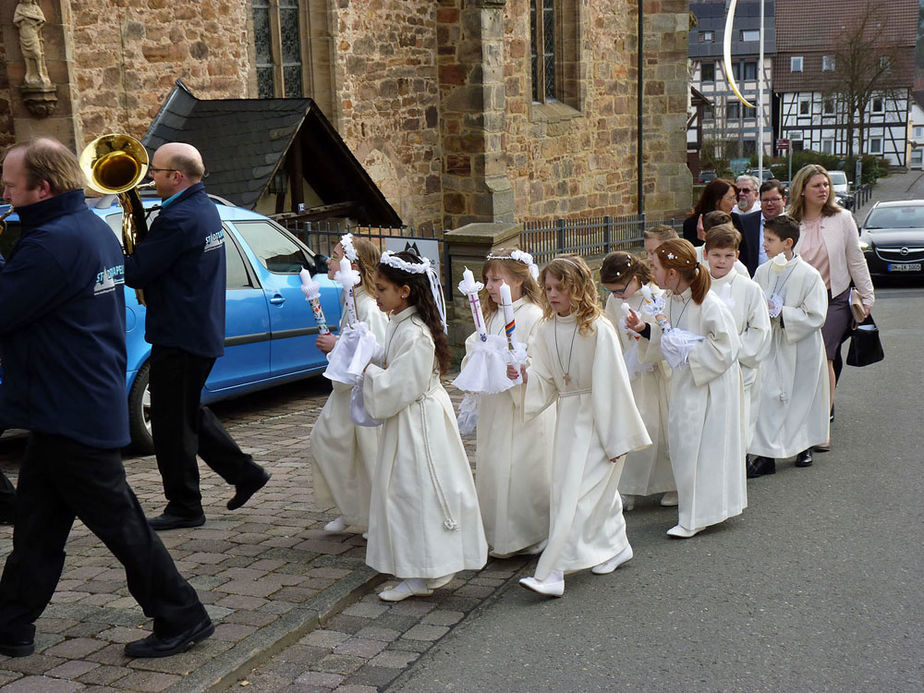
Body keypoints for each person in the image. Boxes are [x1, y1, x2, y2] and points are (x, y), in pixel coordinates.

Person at [0, 137, 212, 659]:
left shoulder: (51, 243)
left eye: (9, 185)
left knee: (121, 525)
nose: (3, 194)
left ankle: (182, 614)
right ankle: (10, 623)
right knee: (36, 528)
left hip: (70, 406)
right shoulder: (87, 229)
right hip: (68, 403)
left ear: (41, 187)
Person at [124, 142, 270, 531]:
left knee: (172, 426)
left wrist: (108, 250)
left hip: (181, 334)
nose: (149, 177)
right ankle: (245, 474)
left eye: (155, 171)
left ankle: (185, 506)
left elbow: (137, 272)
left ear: (178, 176)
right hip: (196, 329)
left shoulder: (180, 218)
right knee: (187, 412)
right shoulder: (205, 208)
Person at [516, 256, 650, 597]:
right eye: (548, 288)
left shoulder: (598, 328)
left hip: (596, 419)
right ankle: (618, 545)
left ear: (578, 289)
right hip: (568, 420)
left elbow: (613, 384)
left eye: (561, 288)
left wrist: (616, 437)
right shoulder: (545, 329)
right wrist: (525, 376)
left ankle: (553, 572)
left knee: (577, 497)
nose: (553, 294)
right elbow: (546, 378)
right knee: (573, 492)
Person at [362, 251, 487, 602]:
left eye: (383, 288)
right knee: (406, 492)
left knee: (415, 492)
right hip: (409, 418)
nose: (377, 295)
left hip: (418, 422)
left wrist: (364, 368)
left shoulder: (415, 333)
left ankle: (422, 571)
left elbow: (397, 387)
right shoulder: (399, 323)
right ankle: (421, 566)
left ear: (405, 291)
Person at [626, 239, 746, 538]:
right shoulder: (669, 299)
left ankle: (697, 515)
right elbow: (666, 336)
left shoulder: (708, 303)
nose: (652, 271)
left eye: (656, 267)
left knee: (702, 446)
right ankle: (697, 509)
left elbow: (728, 347)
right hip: (686, 381)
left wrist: (689, 352)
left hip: (710, 385)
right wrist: (644, 330)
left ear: (673, 273)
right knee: (684, 444)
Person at [462, 248, 553, 558]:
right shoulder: (490, 314)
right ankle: (499, 532)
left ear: (519, 281)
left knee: (522, 466)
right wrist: (480, 356)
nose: (488, 286)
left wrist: (520, 367)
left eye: (495, 279)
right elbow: (477, 349)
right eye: (486, 279)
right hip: (496, 405)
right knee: (496, 464)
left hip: (523, 406)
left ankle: (530, 531)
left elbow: (542, 362)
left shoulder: (533, 315)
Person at [787, 164, 874, 432]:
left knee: (823, 356)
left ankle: (821, 424)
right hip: (800, 303)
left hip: (835, 299)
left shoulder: (843, 218)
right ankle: (802, 415)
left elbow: (855, 259)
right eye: (817, 185)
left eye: (826, 185)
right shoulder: (788, 221)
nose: (824, 190)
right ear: (802, 190)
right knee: (801, 361)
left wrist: (867, 296)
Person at [310, 234, 387, 535]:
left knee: (367, 454)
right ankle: (351, 506)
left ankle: (370, 514)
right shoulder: (351, 300)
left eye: (335, 255)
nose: (329, 261)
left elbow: (377, 352)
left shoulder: (369, 306)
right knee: (326, 441)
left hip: (363, 392)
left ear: (353, 265)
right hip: (345, 389)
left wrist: (336, 343)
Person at [748, 215, 830, 475]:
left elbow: (816, 315)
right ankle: (765, 456)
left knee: (800, 397)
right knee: (767, 395)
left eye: (770, 240)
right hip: (772, 343)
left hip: (800, 345)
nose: (764, 244)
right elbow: (752, 302)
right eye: (765, 238)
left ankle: (802, 446)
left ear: (788, 243)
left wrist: (785, 313)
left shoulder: (809, 275)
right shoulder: (763, 271)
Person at [600, 251, 674, 511]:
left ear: (635, 277)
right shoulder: (613, 300)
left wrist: (644, 333)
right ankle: (628, 487)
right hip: (628, 372)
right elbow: (611, 331)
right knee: (629, 428)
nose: (618, 295)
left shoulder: (656, 296)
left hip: (653, 372)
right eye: (612, 291)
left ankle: (669, 483)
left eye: (621, 289)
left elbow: (666, 334)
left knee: (658, 427)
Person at [703, 226, 771, 453]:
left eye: (728, 256)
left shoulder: (749, 289)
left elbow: (760, 331)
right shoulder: (698, 287)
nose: (722, 261)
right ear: (706, 254)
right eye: (716, 255)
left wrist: (729, 351)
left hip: (738, 368)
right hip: (704, 366)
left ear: (737, 256)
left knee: (735, 430)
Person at [681, 178, 747, 253]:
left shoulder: (735, 219)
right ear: (717, 200)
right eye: (731, 198)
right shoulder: (692, 223)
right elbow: (692, 255)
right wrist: (701, 240)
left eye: (735, 197)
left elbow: (744, 253)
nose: (735, 202)